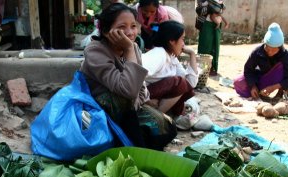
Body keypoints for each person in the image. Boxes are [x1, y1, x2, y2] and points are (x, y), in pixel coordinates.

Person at [80, 3, 177, 151]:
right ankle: (135, 152)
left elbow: (140, 87)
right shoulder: (95, 51)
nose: (130, 32)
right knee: (123, 99)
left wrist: (137, 102)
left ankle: (127, 144)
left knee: (166, 126)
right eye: (122, 27)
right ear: (106, 31)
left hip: (129, 108)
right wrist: (129, 50)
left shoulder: (134, 47)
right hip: (98, 110)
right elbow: (128, 90)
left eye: (133, 26)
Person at [142, 20, 198, 117]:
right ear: (172, 41)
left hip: (150, 94)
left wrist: (192, 54)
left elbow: (190, 83)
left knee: (185, 87)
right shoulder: (159, 54)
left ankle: (163, 115)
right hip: (140, 96)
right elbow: (136, 74)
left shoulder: (172, 58)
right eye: (182, 39)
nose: (183, 44)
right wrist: (146, 100)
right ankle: (155, 117)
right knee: (179, 82)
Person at [233, 22, 288, 103]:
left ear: (279, 48)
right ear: (264, 44)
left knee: (282, 67)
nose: (270, 52)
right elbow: (248, 70)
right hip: (261, 78)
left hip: (276, 79)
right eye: (267, 49)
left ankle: (280, 93)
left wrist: (273, 87)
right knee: (238, 82)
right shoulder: (257, 52)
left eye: (273, 50)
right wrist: (252, 86)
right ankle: (258, 92)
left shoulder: (286, 56)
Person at [196, 0, 229, 76]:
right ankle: (202, 68)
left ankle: (212, 68)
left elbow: (222, 9)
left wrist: (217, 9)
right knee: (205, 46)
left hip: (217, 24)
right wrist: (210, 7)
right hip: (206, 24)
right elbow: (199, 10)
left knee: (215, 46)